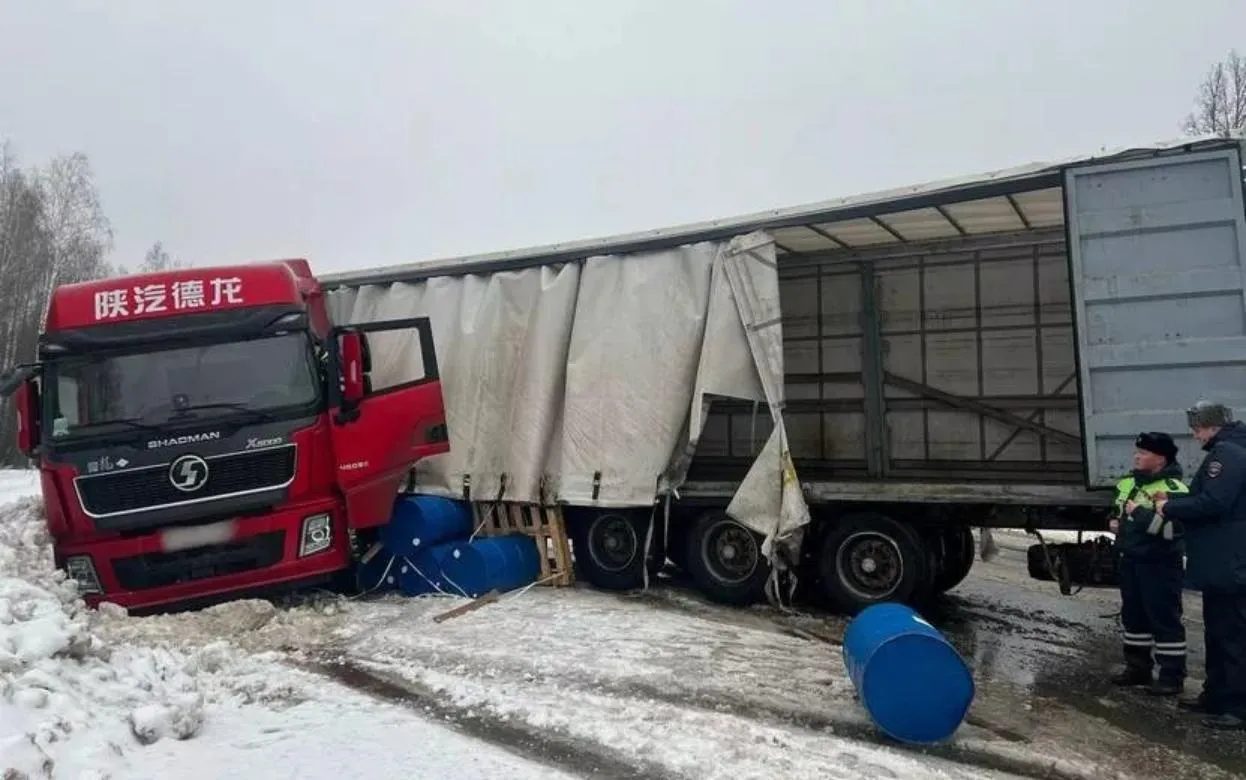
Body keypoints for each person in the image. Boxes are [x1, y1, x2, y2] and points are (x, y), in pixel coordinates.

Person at [1154, 401, 1246, 730]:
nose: (1195, 435)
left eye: (1197, 428)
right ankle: (1216, 695)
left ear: (1212, 426)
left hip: (1230, 561)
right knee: (1218, 632)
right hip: (1223, 562)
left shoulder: (1228, 454)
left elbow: (1215, 502)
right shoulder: (1229, 449)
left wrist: (1170, 508)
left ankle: (1237, 706)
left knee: (1233, 635)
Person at [1110, 432, 1189, 695]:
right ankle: (1137, 668)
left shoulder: (1174, 489)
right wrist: (1115, 521)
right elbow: (1118, 511)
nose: (1137, 456)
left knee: (1164, 619)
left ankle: (1171, 677)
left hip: (1160, 563)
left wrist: (1138, 514)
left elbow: (1171, 530)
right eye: (1138, 451)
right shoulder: (1128, 483)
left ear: (1160, 459)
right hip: (1131, 559)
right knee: (1134, 617)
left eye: (1143, 453)